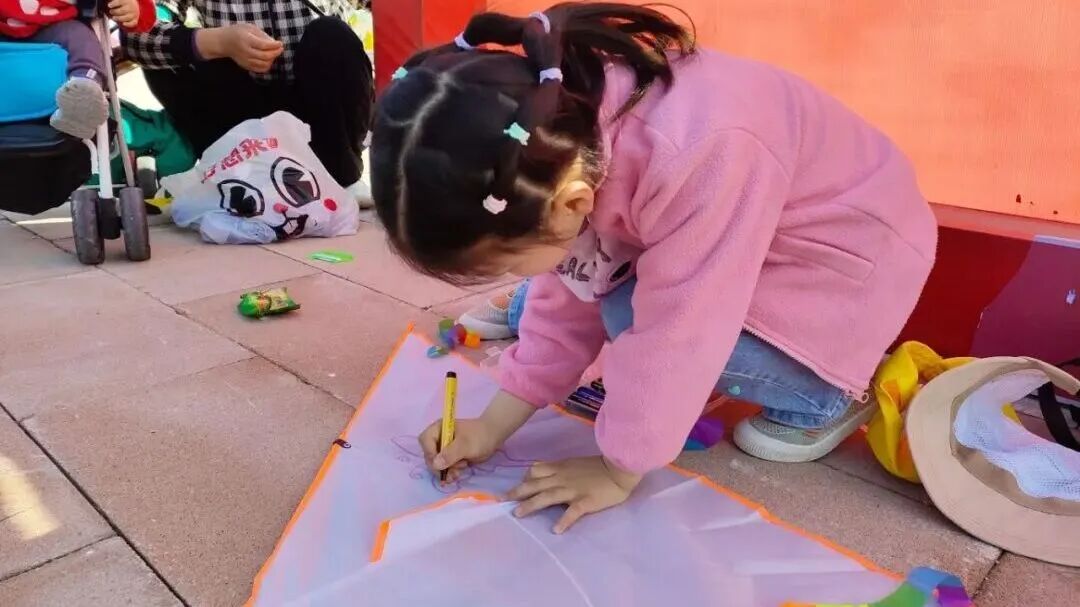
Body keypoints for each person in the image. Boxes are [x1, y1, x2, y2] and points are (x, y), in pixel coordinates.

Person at [371, 3, 937, 533]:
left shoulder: (697, 154)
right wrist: (491, 425)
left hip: (847, 271)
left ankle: (826, 395)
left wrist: (619, 466)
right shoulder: (556, 134)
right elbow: (570, 286)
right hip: (761, 233)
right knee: (573, 295)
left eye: (507, 262)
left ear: (570, 202)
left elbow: (685, 329)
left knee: (624, 311)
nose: (517, 272)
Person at [122, 0, 374, 205]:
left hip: (322, 113)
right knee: (175, 58)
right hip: (241, 111)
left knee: (331, 35)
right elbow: (138, 37)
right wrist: (220, 42)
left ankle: (340, 175)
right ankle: (238, 175)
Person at [1, 0, 155, 139]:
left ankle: (84, 90)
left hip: (55, 25)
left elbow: (141, 17)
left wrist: (133, 8)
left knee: (83, 40)